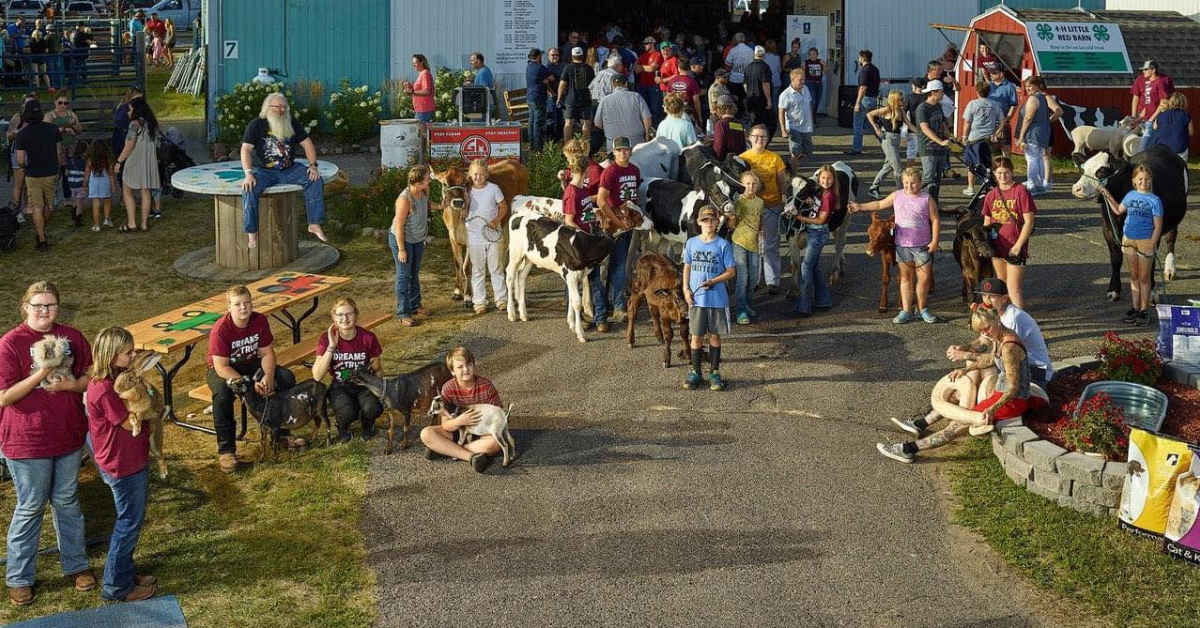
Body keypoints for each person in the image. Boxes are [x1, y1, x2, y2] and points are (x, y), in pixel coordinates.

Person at [0, 281, 95, 606]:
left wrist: (72, 385)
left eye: (50, 305)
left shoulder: (72, 337)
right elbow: (4, 397)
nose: (44, 311)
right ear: (25, 307)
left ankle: (77, 566)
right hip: (27, 442)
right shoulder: (10, 344)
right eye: (38, 305)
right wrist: (41, 374)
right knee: (30, 507)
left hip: (67, 435)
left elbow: (90, 377)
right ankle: (19, 577)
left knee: (68, 501)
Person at [878, 305, 1043, 463]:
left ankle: (908, 449)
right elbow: (991, 359)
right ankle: (918, 428)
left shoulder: (1009, 347)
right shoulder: (1000, 336)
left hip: (1012, 401)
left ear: (997, 321)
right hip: (1001, 392)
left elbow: (1013, 388)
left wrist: (992, 408)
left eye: (987, 328)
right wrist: (965, 370)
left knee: (956, 426)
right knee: (960, 402)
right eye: (982, 331)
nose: (986, 333)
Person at [84, 327, 158, 603]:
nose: (133, 355)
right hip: (121, 464)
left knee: (131, 519)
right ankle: (116, 586)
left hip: (130, 458)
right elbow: (130, 423)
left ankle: (125, 571)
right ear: (112, 355)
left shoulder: (116, 379)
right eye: (128, 352)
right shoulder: (103, 389)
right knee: (128, 523)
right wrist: (145, 399)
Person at [205, 285, 298, 473]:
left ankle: (280, 433)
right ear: (229, 307)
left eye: (247, 303)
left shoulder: (259, 320)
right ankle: (227, 450)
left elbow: (267, 353)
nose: (243, 308)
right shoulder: (221, 330)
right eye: (237, 304)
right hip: (224, 369)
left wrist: (269, 377)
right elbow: (221, 366)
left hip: (251, 362)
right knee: (222, 396)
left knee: (285, 378)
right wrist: (248, 383)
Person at [850, 166, 940, 323]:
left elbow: (935, 220)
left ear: (920, 183)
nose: (909, 186)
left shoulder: (926, 199)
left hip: (922, 245)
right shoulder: (897, 195)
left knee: (924, 278)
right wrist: (860, 207)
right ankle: (906, 310)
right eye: (905, 182)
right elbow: (878, 205)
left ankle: (922, 308)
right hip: (902, 244)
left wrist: (935, 241)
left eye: (913, 183)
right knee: (905, 278)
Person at [238, 93, 327, 248]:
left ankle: (314, 223)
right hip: (265, 172)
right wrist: (248, 174)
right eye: (277, 107)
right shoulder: (257, 125)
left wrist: (313, 166)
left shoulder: (291, 122)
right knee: (249, 188)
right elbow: (245, 149)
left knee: (315, 179)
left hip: (290, 169)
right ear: (267, 108)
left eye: (284, 107)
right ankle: (252, 232)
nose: (281, 110)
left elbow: (307, 143)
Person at [418, 346, 504, 473]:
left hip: (482, 433)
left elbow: (500, 417)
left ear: (473, 365)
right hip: (458, 431)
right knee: (426, 433)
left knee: (495, 443)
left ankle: (446, 450)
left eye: (469, 365)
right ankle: (471, 457)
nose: (466, 369)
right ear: (452, 371)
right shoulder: (448, 388)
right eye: (460, 367)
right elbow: (446, 425)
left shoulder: (486, 386)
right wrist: (460, 420)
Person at [1098, 165, 1162, 325]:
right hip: (1129, 241)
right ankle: (1135, 308)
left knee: (1144, 278)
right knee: (1133, 276)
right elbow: (1119, 210)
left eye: (1147, 179)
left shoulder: (1155, 200)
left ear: (1151, 181)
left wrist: (1152, 244)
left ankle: (1144, 311)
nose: (1143, 182)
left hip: (1145, 241)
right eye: (1140, 179)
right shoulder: (1130, 196)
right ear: (1134, 181)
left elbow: (1158, 226)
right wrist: (1107, 194)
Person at [313, 298, 384, 442]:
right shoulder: (325, 339)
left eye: (349, 314)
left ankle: (367, 423)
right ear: (334, 317)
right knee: (346, 412)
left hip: (364, 383)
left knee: (373, 408)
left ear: (356, 315)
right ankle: (343, 427)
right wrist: (332, 347)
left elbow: (378, 369)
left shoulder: (367, 337)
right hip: (340, 385)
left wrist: (379, 388)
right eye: (340, 315)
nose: (344, 319)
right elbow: (317, 375)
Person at [683, 206, 735, 391]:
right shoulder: (691, 243)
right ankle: (695, 372)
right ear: (699, 222)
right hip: (697, 299)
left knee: (714, 336)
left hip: (717, 299)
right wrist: (685, 289)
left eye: (712, 220)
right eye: (705, 220)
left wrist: (714, 280)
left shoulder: (723, 245)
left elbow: (731, 271)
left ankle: (714, 371)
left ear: (717, 222)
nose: (709, 223)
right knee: (696, 336)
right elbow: (687, 266)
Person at [595, 135, 641, 328]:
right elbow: (601, 200)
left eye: (626, 149)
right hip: (611, 227)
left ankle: (618, 305)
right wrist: (617, 221)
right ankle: (604, 309)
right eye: (619, 150)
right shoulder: (610, 172)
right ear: (613, 152)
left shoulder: (635, 170)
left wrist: (631, 218)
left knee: (621, 265)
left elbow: (634, 197)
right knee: (603, 268)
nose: (623, 153)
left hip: (627, 224)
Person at [982, 157, 1036, 309]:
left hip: (1015, 248)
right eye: (999, 173)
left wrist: (1019, 245)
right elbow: (987, 222)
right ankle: (1003, 320)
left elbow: (1029, 221)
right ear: (994, 173)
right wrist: (987, 244)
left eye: (1006, 172)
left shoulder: (1020, 191)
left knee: (1014, 289)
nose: (1002, 176)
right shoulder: (991, 195)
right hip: (997, 248)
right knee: (1001, 286)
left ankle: (1021, 323)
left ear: (1012, 172)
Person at [740, 124, 787, 293]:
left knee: (770, 244)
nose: (760, 139)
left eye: (763, 137)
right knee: (751, 244)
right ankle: (753, 279)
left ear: (767, 140)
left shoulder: (775, 158)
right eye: (756, 136)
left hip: (771, 205)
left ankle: (772, 280)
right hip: (749, 208)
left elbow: (782, 180)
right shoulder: (743, 158)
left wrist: (784, 197)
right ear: (750, 138)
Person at [390, 164, 436, 326]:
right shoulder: (404, 199)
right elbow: (399, 227)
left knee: (414, 273)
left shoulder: (423, 192)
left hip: (417, 240)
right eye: (426, 179)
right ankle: (403, 313)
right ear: (417, 182)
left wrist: (442, 206)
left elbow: (427, 205)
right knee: (404, 275)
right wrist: (402, 249)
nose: (429, 180)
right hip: (403, 240)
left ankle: (415, 306)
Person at [14, 100, 62, 250]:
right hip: (51, 172)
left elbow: (20, 160)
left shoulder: (21, 135)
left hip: (33, 174)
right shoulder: (53, 129)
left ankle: (41, 239)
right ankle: (41, 231)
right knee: (49, 205)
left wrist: (24, 166)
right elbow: (59, 152)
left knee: (36, 207)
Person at [793, 165, 839, 317]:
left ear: (834, 179)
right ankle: (823, 300)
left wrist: (800, 218)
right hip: (815, 232)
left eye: (829, 178)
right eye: (823, 178)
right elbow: (817, 208)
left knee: (806, 267)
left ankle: (804, 306)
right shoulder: (821, 193)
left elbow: (820, 220)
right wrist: (810, 203)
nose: (826, 181)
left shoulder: (828, 196)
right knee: (814, 267)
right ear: (819, 178)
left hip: (818, 233)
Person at [464, 158, 508, 314]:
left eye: (481, 174)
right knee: (478, 270)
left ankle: (502, 300)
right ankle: (479, 302)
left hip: (494, 235)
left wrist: (496, 220)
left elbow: (503, 206)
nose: (478, 177)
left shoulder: (494, 189)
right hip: (475, 236)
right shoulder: (466, 190)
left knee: (496, 268)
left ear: (487, 175)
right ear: (470, 174)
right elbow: (463, 212)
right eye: (475, 174)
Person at [114, 98, 161, 233]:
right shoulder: (151, 124)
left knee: (127, 190)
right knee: (145, 191)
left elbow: (129, 146)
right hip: (148, 162)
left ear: (136, 110)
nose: (128, 112)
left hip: (135, 161)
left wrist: (119, 161)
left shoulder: (134, 125)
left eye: (129, 109)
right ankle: (144, 224)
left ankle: (132, 223)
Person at [1015, 76, 1061, 196]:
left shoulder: (1033, 99)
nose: (1028, 88)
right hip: (1043, 133)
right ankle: (1040, 185)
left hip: (1033, 133)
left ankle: (1032, 185)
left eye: (1030, 85)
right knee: (1040, 158)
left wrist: (1021, 136)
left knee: (1032, 159)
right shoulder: (1043, 97)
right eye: (1026, 86)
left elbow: (1028, 118)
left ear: (1037, 85)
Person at [729, 170, 763, 324]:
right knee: (742, 277)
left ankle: (747, 304)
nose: (750, 186)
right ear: (742, 185)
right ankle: (740, 310)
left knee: (754, 276)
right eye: (747, 183)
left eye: (754, 183)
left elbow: (759, 219)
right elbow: (731, 225)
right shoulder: (738, 201)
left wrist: (761, 231)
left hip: (754, 242)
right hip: (739, 241)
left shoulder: (760, 201)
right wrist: (732, 217)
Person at [961, 80, 1001, 197]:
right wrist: (997, 132)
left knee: (971, 164)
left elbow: (967, 122)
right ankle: (991, 186)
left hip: (975, 138)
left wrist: (964, 137)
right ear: (989, 92)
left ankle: (971, 187)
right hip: (989, 138)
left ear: (977, 91)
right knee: (989, 164)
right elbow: (1002, 120)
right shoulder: (995, 104)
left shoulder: (972, 104)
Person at [593, 73, 651, 150]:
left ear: (612, 85)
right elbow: (647, 119)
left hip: (614, 144)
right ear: (626, 84)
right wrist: (647, 136)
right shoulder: (637, 97)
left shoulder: (604, 100)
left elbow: (597, 124)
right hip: (636, 143)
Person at [915, 79, 951, 203]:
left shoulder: (938, 106)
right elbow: (925, 128)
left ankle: (934, 205)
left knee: (937, 179)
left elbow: (943, 123)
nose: (943, 94)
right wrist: (940, 141)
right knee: (928, 177)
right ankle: (913, 198)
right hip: (928, 148)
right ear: (933, 92)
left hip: (939, 149)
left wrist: (949, 137)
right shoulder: (922, 108)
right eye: (941, 92)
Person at [866, 90, 906, 198]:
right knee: (898, 168)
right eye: (900, 99)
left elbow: (909, 124)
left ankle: (874, 187)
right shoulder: (887, 110)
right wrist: (876, 128)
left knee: (888, 166)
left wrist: (920, 132)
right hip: (888, 140)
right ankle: (901, 192)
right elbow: (869, 114)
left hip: (896, 140)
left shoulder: (901, 111)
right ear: (894, 100)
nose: (903, 101)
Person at [1131, 60, 1175, 153]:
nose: (1143, 71)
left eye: (1146, 69)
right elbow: (1146, 102)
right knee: (1147, 144)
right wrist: (1137, 117)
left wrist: (1152, 119)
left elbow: (1164, 102)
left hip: (1156, 119)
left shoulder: (1160, 82)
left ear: (1153, 70)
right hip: (1145, 118)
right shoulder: (1146, 81)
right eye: (1143, 70)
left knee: (1144, 146)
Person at [557, 46, 595, 144]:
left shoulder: (568, 67)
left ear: (572, 56)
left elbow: (562, 84)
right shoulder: (589, 68)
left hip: (570, 100)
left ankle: (567, 147)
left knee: (568, 123)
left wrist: (559, 97)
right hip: (586, 99)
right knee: (586, 123)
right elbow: (593, 85)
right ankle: (585, 148)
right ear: (582, 56)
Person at [848, 50, 880, 155]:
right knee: (872, 124)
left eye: (859, 58)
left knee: (858, 124)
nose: (858, 59)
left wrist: (857, 103)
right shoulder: (875, 69)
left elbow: (862, 87)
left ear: (863, 58)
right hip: (873, 99)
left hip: (865, 100)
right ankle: (885, 142)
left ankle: (856, 148)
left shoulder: (864, 70)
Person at [777, 68, 813, 160]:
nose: (803, 82)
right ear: (792, 80)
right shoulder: (785, 95)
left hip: (806, 126)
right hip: (794, 127)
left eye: (803, 79)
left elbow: (809, 105)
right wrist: (783, 129)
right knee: (796, 151)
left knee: (808, 152)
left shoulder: (806, 89)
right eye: (800, 80)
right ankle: (795, 167)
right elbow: (781, 112)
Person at [986, 67, 1018, 159]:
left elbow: (1013, 105)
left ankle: (1007, 169)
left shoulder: (1010, 86)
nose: (991, 74)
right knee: (989, 149)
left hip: (1003, 121)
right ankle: (990, 171)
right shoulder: (989, 86)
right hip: (989, 122)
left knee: (1006, 148)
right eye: (990, 73)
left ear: (1001, 74)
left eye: (993, 73)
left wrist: (1006, 119)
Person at [665, 57, 704, 130]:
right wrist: (699, 117)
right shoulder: (692, 82)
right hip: (687, 115)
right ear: (689, 68)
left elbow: (667, 99)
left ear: (678, 68)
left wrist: (668, 114)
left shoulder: (671, 81)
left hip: (673, 114)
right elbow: (696, 102)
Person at [1152, 91, 1192, 161]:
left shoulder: (1161, 115)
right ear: (1184, 103)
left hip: (1161, 149)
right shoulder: (1186, 115)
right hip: (1179, 149)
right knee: (1181, 169)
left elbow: (1154, 127)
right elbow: (1191, 132)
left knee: (1163, 169)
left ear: (1170, 102)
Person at [525, 48, 552, 152]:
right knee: (538, 123)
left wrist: (543, 80)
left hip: (530, 97)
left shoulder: (529, 66)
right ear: (538, 56)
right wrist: (545, 80)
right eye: (540, 55)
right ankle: (538, 148)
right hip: (539, 98)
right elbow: (552, 78)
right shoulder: (540, 67)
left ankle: (532, 146)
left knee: (531, 122)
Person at [84, 139, 114, 232]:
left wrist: (85, 182)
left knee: (95, 203)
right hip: (105, 182)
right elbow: (111, 173)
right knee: (107, 200)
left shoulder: (90, 159)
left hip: (94, 183)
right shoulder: (107, 159)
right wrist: (113, 185)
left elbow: (87, 172)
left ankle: (97, 225)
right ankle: (107, 219)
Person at [742, 45, 774, 133]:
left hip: (750, 98)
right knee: (762, 122)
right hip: (761, 99)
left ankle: (751, 138)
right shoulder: (765, 67)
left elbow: (745, 85)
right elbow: (765, 83)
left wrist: (748, 94)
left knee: (752, 120)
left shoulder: (748, 67)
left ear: (754, 54)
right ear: (764, 55)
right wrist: (769, 99)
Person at [634, 36, 663, 121]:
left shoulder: (658, 55)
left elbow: (652, 69)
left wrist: (642, 67)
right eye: (644, 44)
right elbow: (636, 69)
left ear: (652, 44)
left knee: (655, 109)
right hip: (642, 85)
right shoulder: (642, 56)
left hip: (653, 86)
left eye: (646, 44)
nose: (645, 45)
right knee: (644, 109)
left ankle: (655, 127)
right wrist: (646, 67)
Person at [723, 32, 754, 111]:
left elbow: (727, 65)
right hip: (747, 80)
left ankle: (737, 115)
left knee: (735, 99)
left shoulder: (733, 50)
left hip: (734, 79)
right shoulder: (751, 51)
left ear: (736, 40)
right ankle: (746, 114)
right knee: (746, 99)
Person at [544, 47, 565, 136]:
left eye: (557, 55)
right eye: (553, 55)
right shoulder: (546, 68)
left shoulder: (562, 66)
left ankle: (559, 139)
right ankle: (551, 141)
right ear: (548, 56)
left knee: (561, 119)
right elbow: (545, 82)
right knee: (551, 120)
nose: (555, 56)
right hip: (551, 98)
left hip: (562, 97)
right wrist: (551, 93)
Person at [706, 68, 732, 135]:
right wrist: (721, 117)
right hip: (718, 117)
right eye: (724, 77)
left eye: (727, 76)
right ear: (718, 78)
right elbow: (715, 105)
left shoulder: (723, 86)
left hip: (725, 116)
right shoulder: (715, 89)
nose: (727, 78)